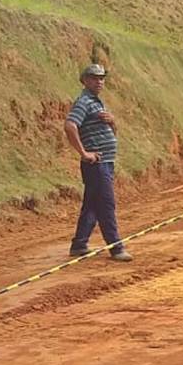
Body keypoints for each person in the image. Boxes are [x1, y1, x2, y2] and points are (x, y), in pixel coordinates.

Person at [64, 63, 132, 262]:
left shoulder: (98, 102)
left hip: (106, 162)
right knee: (106, 204)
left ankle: (79, 244)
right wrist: (84, 153)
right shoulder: (84, 102)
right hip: (97, 164)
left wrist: (112, 122)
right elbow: (69, 126)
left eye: (102, 78)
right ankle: (116, 247)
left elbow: (113, 134)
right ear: (84, 80)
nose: (99, 81)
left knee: (93, 205)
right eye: (94, 78)